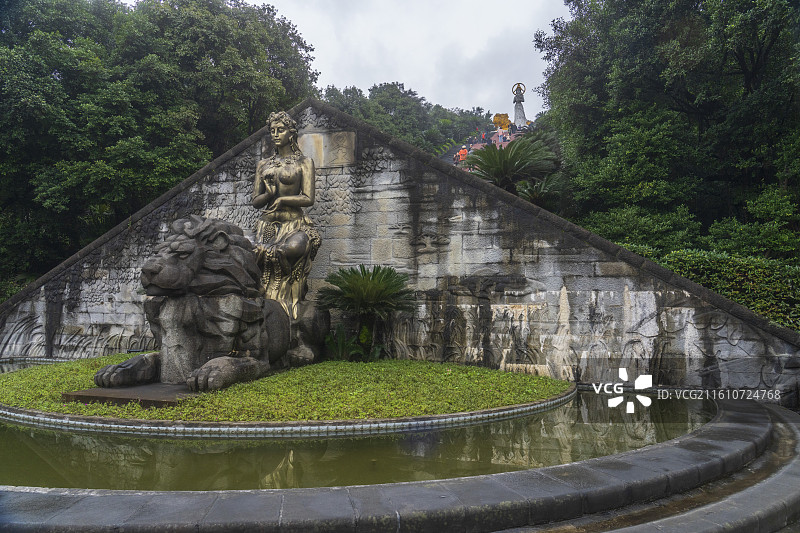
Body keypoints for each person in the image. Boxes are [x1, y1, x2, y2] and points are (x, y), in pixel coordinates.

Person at [252, 111, 321, 318]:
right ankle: (263, 298)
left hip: (294, 224)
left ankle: (288, 300)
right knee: (250, 251)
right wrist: (270, 195)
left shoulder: (304, 162)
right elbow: (256, 201)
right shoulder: (263, 165)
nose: (275, 134)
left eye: (280, 130)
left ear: (290, 133)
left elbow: (308, 198)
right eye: (272, 131)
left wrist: (282, 199)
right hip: (267, 226)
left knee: (292, 248)